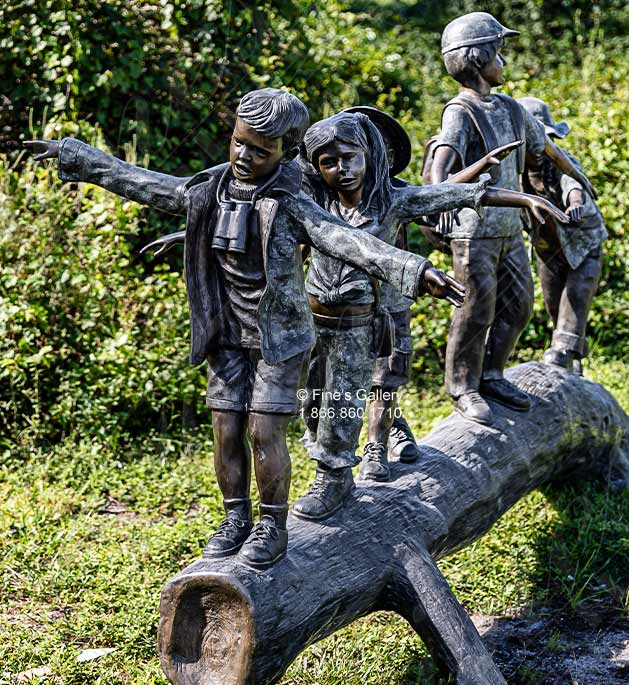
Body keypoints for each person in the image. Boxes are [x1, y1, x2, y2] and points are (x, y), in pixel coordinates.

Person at [25, 88, 462, 567]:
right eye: (239, 143)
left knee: (263, 431)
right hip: (226, 333)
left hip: (278, 339)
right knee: (226, 430)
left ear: (287, 153)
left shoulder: (294, 200)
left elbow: (344, 240)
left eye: (260, 151)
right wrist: (77, 156)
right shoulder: (209, 188)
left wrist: (416, 270)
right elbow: (146, 184)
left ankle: (272, 525)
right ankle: (235, 517)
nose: (243, 156)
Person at [292, 110, 566, 520]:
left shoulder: (392, 200)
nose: (342, 169)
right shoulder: (314, 206)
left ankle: (353, 462)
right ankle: (383, 434)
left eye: (350, 157)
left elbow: (448, 194)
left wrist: (525, 196)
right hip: (319, 324)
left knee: (375, 385)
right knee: (314, 402)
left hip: (376, 315)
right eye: (328, 162)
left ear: (371, 155)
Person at [428, 12, 597, 426]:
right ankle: (463, 386)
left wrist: (579, 178)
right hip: (475, 234)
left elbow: (550, 151)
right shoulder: (460, 111)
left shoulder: (511, 108)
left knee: (519, 308)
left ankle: (493, 373)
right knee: (474, 310)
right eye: (498, 53)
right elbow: (440, 168)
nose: (504, 62)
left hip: (509, 231)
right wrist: (440, 201)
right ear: (476, 59)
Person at [517, 96, 608, 374]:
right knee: (556, 306)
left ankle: (564, 352)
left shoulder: (559, 161)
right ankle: (573, 358)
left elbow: (572, 182)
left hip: (583, 244)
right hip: (548, 249)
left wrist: (575, 201)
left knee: (576, 296)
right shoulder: (516, 171)